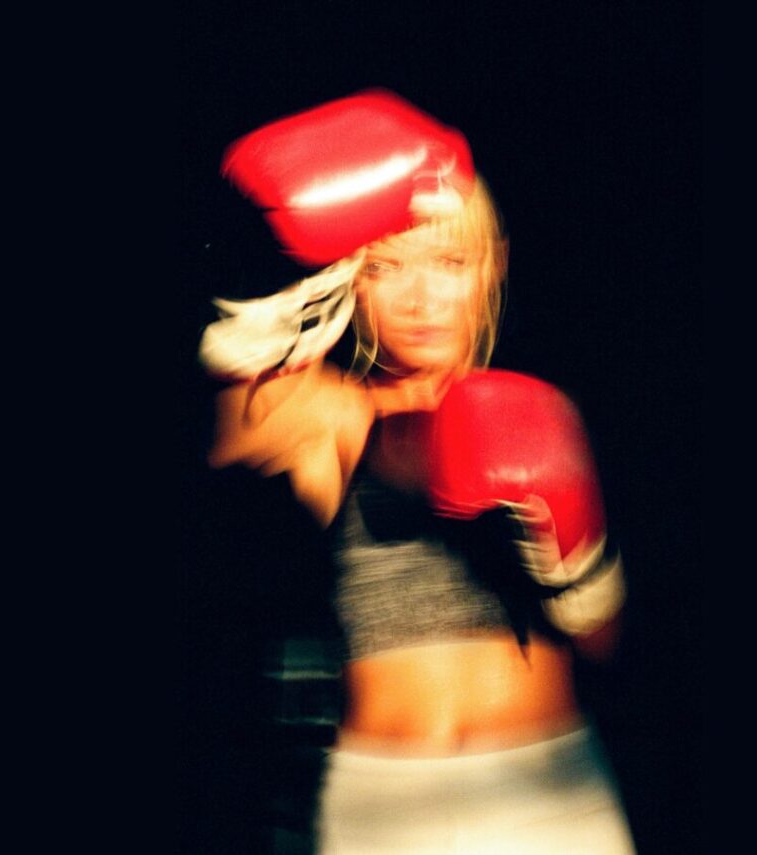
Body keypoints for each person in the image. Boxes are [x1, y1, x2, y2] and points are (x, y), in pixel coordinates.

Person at [198, 90, 636, 854]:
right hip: (382, 807)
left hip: (551, 793)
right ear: (349, 280)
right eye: (388, 267)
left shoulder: (545, 411)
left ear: (490, 268)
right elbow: (224, 433)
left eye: (449, 262)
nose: (421, 297)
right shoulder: (332, 415)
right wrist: (269, 316)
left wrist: (574, 561)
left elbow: (607, 644)